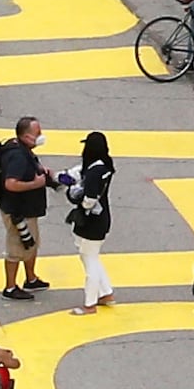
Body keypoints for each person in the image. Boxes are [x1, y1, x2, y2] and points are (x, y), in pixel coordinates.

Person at [0, 114, 53, 300]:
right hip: (18, 211)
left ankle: (31, 278)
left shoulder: (20, 149)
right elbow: (11, 184)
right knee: (16, 249)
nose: (40, 135)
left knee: (31, 244)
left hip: (26, 209)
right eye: (37, 133)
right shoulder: (18, 156)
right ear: (26, 136)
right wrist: (36, 183)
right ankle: (10, 287)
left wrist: (40, 171)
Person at [67, 130, 116, 311]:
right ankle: (106, 292)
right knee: (92, 257)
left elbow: (89, 201)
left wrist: (75, 197)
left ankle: (90, 303)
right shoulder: (104, 167)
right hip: (101, 219)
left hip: (91, 221)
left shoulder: (95, 172)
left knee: (90, 261)